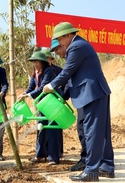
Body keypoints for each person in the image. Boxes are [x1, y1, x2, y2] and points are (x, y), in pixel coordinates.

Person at [43, 22, 114, 182]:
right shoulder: (79, 46)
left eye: (60, 40)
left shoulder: (76, 47)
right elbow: (73, 76)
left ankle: (91, 171)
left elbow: (67, 72)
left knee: (93, 132)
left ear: (68, 35)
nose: (59, 43)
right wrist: (64, 95)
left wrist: (51, 85)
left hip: (92, 93)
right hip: (95, 92)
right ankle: (107, 167)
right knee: (101, 133)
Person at [17, 51, 62, 165]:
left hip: (52, 104)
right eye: (33, 62)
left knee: (52, 130)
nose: (35, 64)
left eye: (36, 61)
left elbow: (43, 88)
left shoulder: (49, 71)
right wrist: (24, 94)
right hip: (42, 104)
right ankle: (40, 155)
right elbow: (31, 87)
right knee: (41, 128)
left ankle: (53, 158)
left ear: (42, 62)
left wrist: (29, 95)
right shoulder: (35, 73)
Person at [48, 40, 86, 171]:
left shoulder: (74, 53)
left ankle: (89, 162)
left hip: (86, 97)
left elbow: (66, 76)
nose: (57, 54)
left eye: (57, 50)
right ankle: (87, 160)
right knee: (82, 129)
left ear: (63, 45)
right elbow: (70, 81)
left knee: (85, 130)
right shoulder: (70, 57)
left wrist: (51, 86)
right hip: (80, 98)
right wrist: (64, 98)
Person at [41, 47, 64, 158]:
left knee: (55, 128)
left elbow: (66, 83)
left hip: (54, 102)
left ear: (51, 59)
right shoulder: (39, 71)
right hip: (43, 103)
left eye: (47, 59)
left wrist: (62, 96)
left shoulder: (58, 70)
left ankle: (56, 153)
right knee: (42, 127)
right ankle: (43, 153)